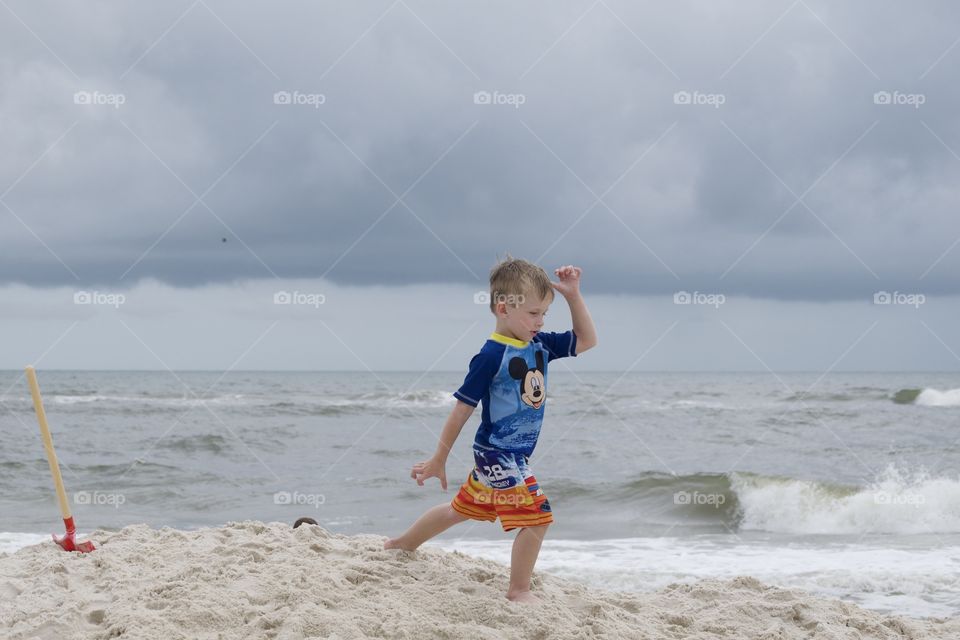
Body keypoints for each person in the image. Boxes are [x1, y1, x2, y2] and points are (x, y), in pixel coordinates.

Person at [384, 256, 598, 603]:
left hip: (513, 455)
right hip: (497, 454)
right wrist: (440, 458)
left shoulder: (539, 344)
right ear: (503, 308)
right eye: (533, 313)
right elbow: (462, 409)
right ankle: (519, 590)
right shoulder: (490, 356)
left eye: (544, 313)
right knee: (538, 519)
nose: (540, 321)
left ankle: (400, 544)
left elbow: (586, 340)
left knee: (459, 510)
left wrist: (573, 296)